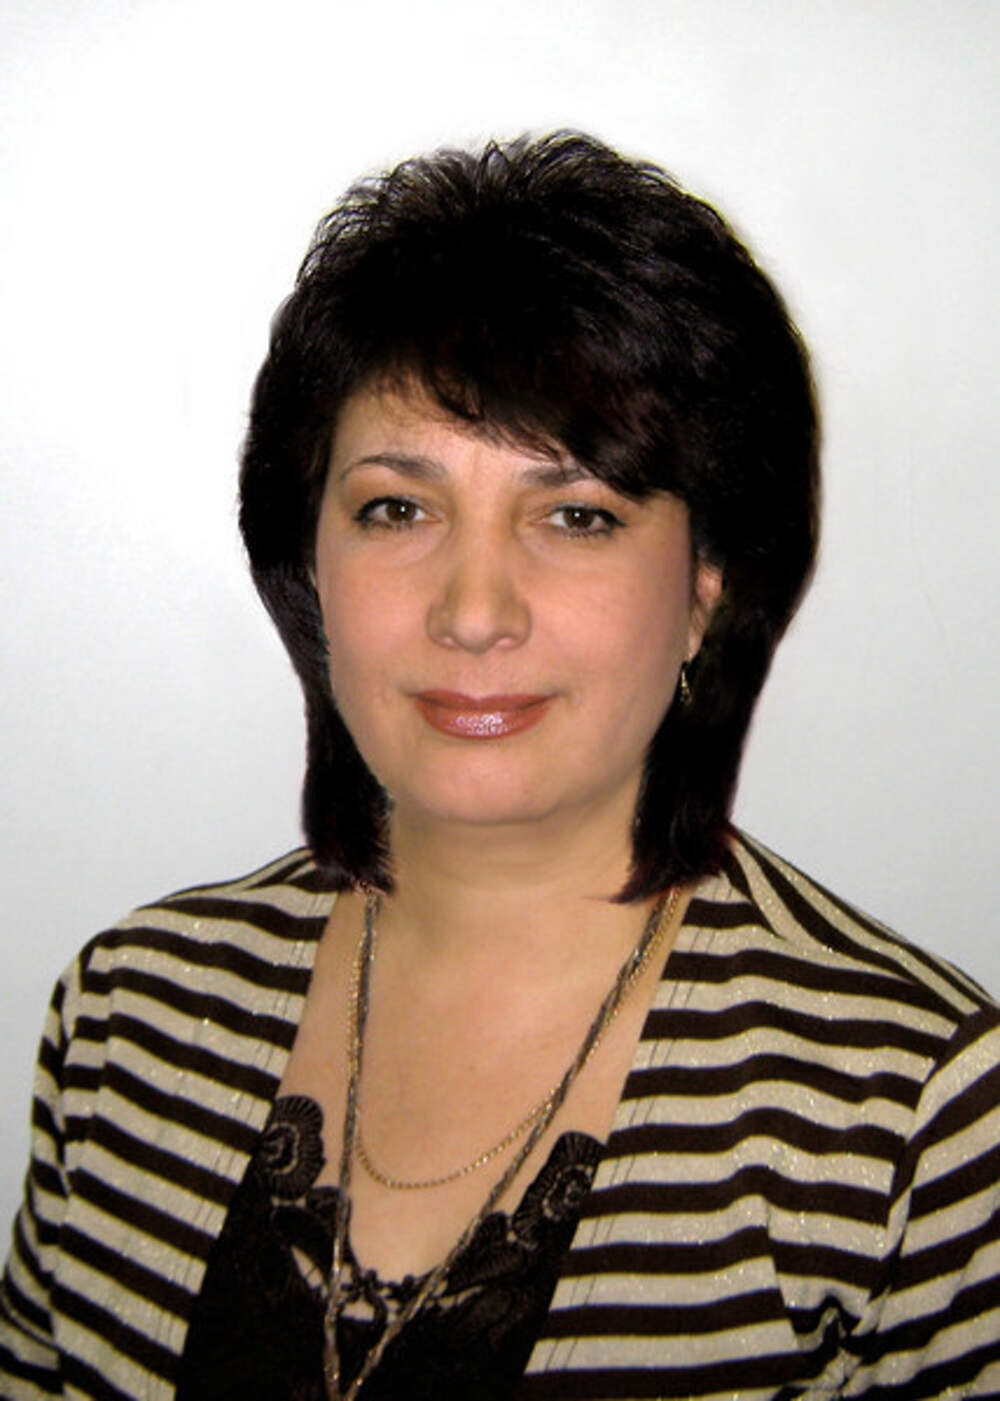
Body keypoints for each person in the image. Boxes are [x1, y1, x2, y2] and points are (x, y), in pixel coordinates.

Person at [2, 132, 998, 1401]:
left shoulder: (909, 1118)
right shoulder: (127, 1017)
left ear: (706, 585)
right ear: (310, 564)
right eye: (398, 509)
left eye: (576, 515)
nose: (474, 613)